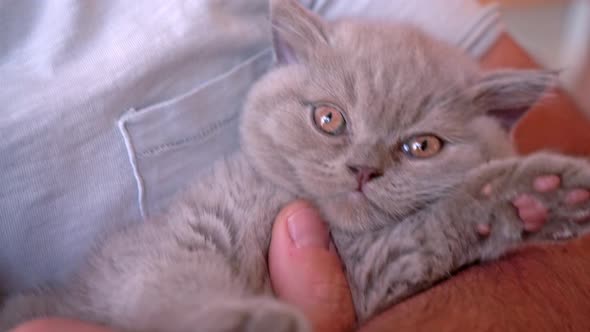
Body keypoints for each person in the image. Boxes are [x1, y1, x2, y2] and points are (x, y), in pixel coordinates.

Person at [3, 0, 589, 331]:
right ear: (284, 60)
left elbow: (382, 275)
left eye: (419, 147)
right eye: (331, 121)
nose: (363, 166)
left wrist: (468, 220)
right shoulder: (248, 188)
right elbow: (156, 269)